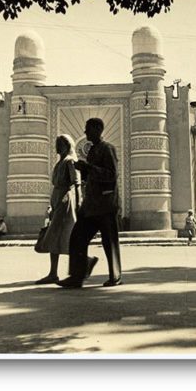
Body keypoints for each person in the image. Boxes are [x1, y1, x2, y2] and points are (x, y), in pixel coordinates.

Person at [58, 118, 122, 289]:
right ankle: (77, 275)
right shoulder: (93, 151)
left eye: (88, 129)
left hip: (106, 204)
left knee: (110, 241)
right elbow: (92, 177)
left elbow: (111, 175)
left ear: (98, 129)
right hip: (92, 205)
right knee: (77, 237)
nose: (85, 132)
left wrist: (88, 168)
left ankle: (115, 276)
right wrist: (83, 171)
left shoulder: (108, 149)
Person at [36, 134, 80, 284]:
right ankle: (53, 273)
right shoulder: (60, 162)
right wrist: (51, 204)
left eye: (59, 144)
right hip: (57, 200)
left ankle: (83, 265)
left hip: (65, 201)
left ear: (67, 146)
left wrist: (78, 204)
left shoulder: (70, 161)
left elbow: (77, 183)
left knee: (63, 236)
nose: (56, 146)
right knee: (55, 237)